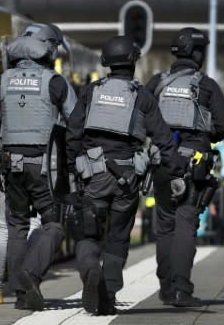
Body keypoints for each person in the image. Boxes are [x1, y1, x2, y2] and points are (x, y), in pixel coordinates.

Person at [65, 35, 186, 315]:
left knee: (88, 233)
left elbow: (72, 133)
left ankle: (90, 272)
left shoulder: (91, 92)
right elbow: (164, 139)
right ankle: (107, 293)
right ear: (132, 61)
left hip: (92, 176)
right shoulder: (141, 96)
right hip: (128, 178)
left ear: (106, 62)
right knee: (119, 236)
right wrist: (176, 173)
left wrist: (72, 168)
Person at [0, 22, 76, 311]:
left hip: (10, 167)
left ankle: (21, 296)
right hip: (44, 170)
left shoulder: (2, 82)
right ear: (48, 49)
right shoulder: (56, 82)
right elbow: (76, 123)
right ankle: (30, 275)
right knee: (54, 225)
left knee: (17, 227)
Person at [146, 27, 224, 307]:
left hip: (160, 162)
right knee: (185, 223)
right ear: (197, 53)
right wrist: (205, 137)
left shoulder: (157, 82)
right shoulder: (205, 85)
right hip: (192, 164)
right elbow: (223, 124)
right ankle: (182, 290)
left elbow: (140, 117)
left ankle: (166, 288)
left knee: (165, 225)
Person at [0, 186, 42, 304]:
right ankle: (29, 280)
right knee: (34, 224)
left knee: (4, 227)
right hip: (36, 175)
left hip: (7, 176)